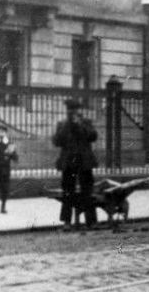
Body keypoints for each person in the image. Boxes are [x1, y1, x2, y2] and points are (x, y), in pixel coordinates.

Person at [53, 97, 99, 228]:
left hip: (84, 161)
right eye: (70, 110)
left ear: (80, 111)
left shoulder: (86, 122)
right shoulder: (62, 124)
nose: (72, 113)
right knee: (67, 191)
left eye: (75, 110)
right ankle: (67, 221)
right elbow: (57, 141)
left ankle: (91, 221)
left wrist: (80, 125)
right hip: (68, 162)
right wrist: (67, 125)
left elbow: (93, 136)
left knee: (87, 191)